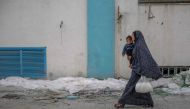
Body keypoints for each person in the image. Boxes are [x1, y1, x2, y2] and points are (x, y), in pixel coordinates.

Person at [114, 30, 163, 108]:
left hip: (138, 69)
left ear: (137, 36)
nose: (132, 37)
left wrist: (140, 68)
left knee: (130, 85)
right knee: (140, 86)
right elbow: (136, 56)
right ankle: (148, 102)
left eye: (133, 35)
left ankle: (121, 102)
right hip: (136, 68)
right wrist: (131, 60)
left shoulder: (140, 45)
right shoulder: (136, 44)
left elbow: (144, 58)